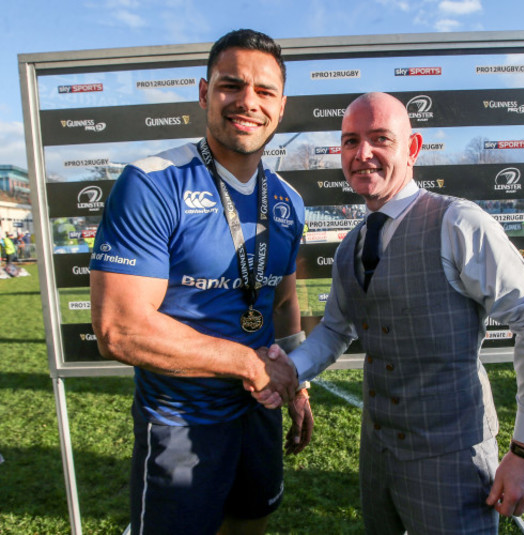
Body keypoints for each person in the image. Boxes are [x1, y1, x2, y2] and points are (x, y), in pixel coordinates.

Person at [258, 92, 524, 534]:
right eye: (350, 141)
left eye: (380, 138)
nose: (363, 154)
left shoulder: (459, 223)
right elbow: (334, 331)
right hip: (377, 455)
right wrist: (289, 368)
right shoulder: (350, 245)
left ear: (413, 147)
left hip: (453, 459)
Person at [90, 29, 313, 535]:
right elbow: (118, 329)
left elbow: (281, 302)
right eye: (230, 85)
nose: (247, 102)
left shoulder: (289, 200)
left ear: (281, 107)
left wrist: (294, 378)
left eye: (264, 92)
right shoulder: (151, 183)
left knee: (250, 524)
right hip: (181, 420)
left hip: (259, 411)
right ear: (204, 93)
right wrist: (248, 363)